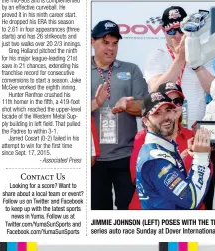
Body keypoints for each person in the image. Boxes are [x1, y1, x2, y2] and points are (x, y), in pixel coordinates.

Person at [91, 20, 148, 210]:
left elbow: (145, 107)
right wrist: (95, 104)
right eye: (105, 43)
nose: (111, 48)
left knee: (129, 213)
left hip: (126, 155)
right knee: (99, 216)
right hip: (92, 159)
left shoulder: (131, 69)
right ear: (92, 42)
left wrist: (127, 104)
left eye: (115, 43)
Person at [135, 91, 213, 210]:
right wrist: (201, 158)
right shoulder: (156, 160)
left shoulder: (163, 147)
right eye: (157, 113)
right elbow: (191, 200)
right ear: (146, 121)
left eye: (168, 110)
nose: (165, 117)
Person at [143, 6, 215, 130]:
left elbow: (213, 89)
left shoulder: (201, 53)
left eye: (180, 30)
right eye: (171, 31)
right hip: (164, 130)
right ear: (163, 30)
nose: (177, 35)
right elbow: (156, 89)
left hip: (195, 129)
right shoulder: (157, 54)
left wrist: (196, 62)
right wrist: (181, 57)